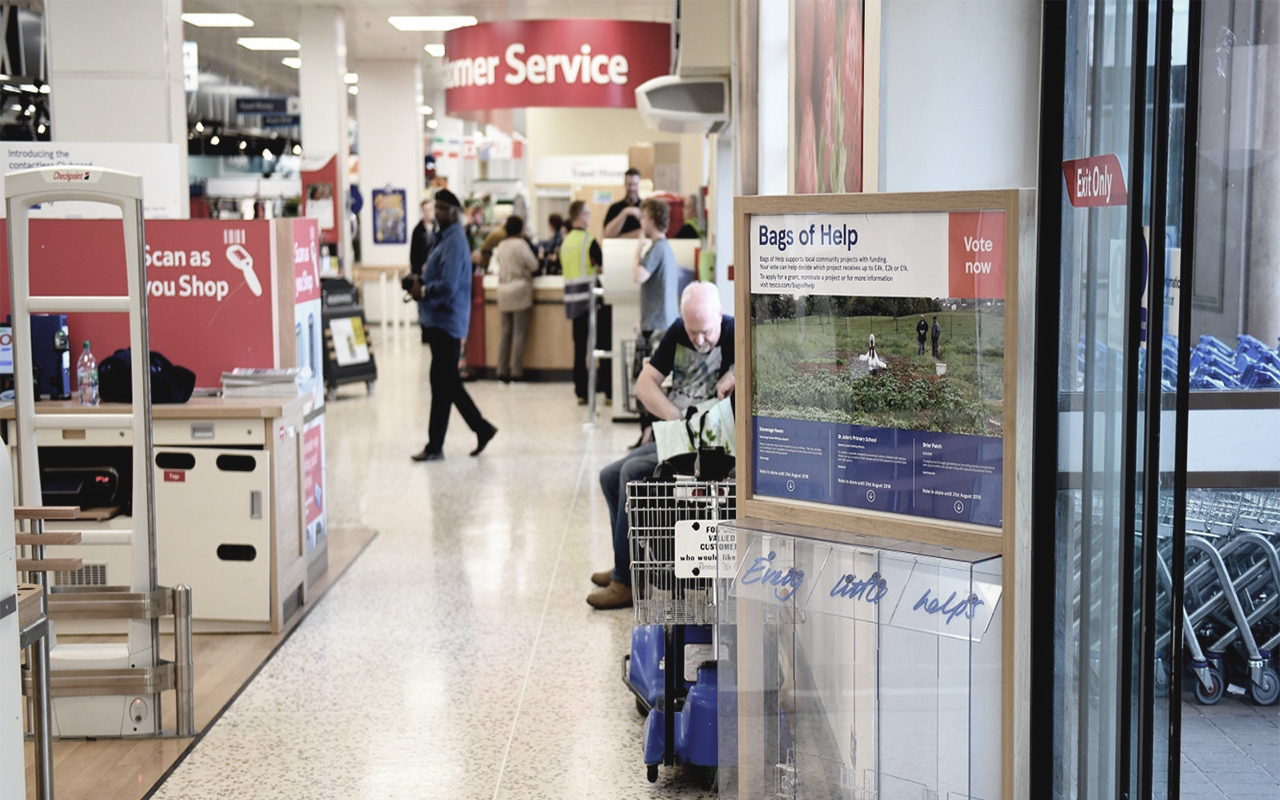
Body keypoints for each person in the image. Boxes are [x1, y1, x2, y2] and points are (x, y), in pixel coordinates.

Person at [588, 282, 735, 610]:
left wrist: (735, 374)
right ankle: (627, 564)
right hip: (679, 434)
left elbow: (760, 359)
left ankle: (625, 582)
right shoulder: (678, 331)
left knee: (631, 472)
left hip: (710, 446)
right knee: (609, 476)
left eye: (706, 332)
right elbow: (645, 384)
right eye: (692, 331)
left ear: (719, 315)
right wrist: (673, 416)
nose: (699, 340)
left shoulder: (733, 332)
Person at [411, 189, 498, 462]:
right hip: (439, 320)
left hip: (447, 322)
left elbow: (448, 286)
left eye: (441, 208)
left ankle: (438, 444)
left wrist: (424, 290)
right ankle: (479, 429)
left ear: (452, 212)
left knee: (443, 383)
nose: (436, 212)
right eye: (435, 207)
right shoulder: (444, 238)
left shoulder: (454, 241)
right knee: (445, 382)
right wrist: (419, 282)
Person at [559, 200, 603, 405]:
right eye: (587, 212)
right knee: (598, 345)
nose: (589, 216)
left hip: (572, 303)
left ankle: (581, 391)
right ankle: (603, 387)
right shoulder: (589, 241)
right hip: (589, 301)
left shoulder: (565, 242)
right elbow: (601, 267)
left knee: (579, 348)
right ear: (580, 215)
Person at [494, 216, 538, 382]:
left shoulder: (502, 245)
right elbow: (534, 265)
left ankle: (501, 369)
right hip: (519, 291)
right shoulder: (521, 245)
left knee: (505, 333)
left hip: (503, 291)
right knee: (519, 334)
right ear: (520, 229)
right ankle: (516, 371)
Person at [633, 197, 680, 344]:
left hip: (657, 326)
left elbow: (638, 275)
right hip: (664, 321)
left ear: (652, 221)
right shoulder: (665, 248)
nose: (641, 222)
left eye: (644, 217)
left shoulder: (657, 248)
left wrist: (638, 248)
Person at [409, 198, 437, 344]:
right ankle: (425, 332)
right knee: (422, 304)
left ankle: (433, 331)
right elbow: (413, 254)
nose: (428, 212)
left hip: (435, 274)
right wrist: (417, 269)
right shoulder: (417, 231)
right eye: (426, 210)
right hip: (422, 274)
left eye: (430, 209)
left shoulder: (438, 229)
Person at [603, 167, 643, 238]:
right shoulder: (614, 208)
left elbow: (646, 232)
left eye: (635, 184)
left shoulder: (645, 207)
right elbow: (607, 234)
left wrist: (620, 237)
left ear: (639, 185)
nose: (632, 188)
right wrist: (625, 212)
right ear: (625, 185)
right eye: (629, 184)